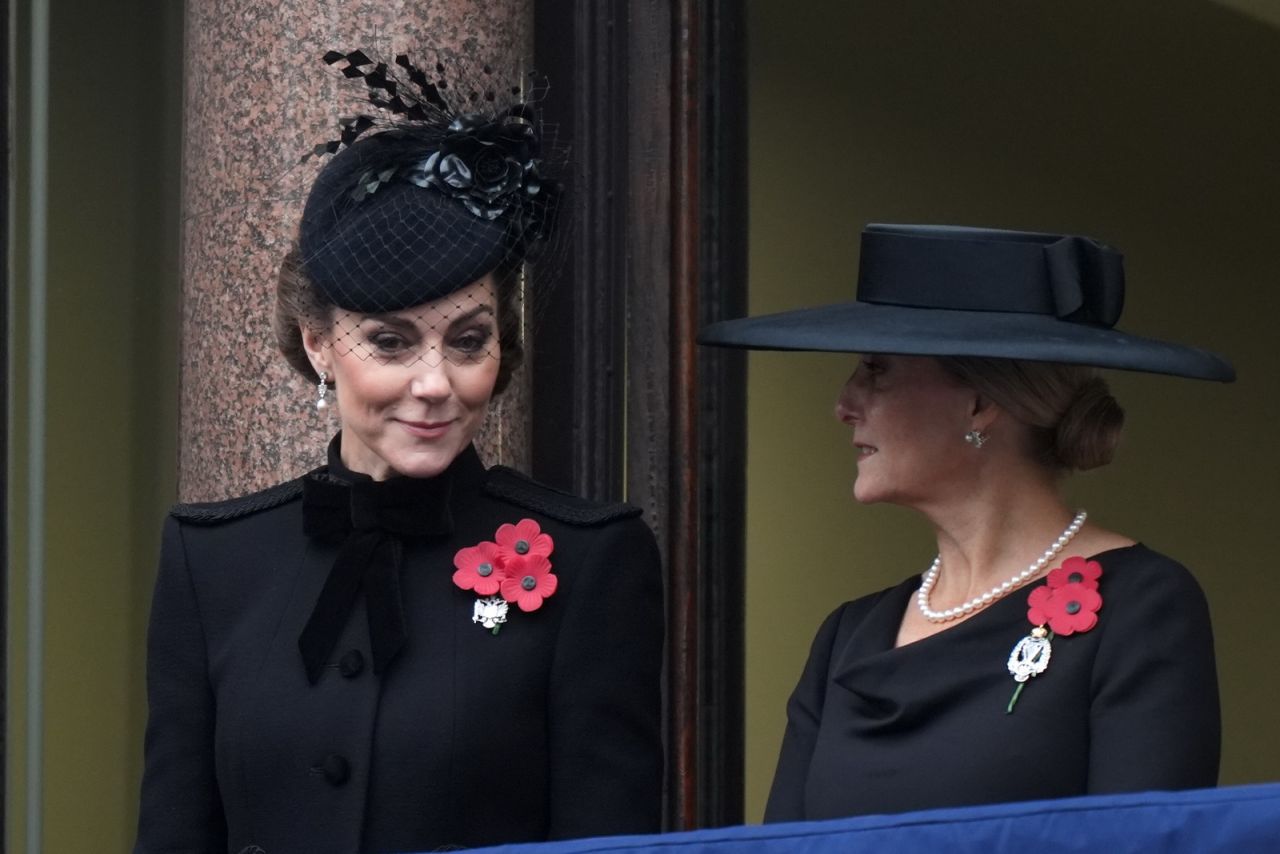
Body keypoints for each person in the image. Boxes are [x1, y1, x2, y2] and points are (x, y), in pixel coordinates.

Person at [135, 50, 664, 853]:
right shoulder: (212, 562)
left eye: (468, 341)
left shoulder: (593, 562)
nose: (434, 383)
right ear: (318, 345)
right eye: (390, 342)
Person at [700, 223, 1231, 821]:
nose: (844, 405)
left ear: (979, 402)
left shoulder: (1142, 606)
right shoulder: (848, 635)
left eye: (876, 369)